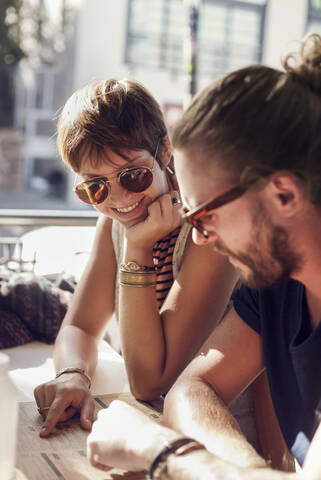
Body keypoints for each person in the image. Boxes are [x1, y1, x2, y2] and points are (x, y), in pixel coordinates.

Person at [86, 33, 321, 480]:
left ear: (284, 194)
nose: (200, 239)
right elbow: (192, 389)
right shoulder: (275, 285)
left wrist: (161, 452)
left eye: (206, 215)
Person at [34, 78, 241, 438]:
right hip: (158, 426)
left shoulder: (206, 226)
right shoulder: (115, 223)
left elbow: (149, 381)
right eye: (95, 186)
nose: (119, 200)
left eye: (133, 175)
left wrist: (137, 249)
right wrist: (72, 373)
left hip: (223, 437)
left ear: (164, 149)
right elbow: (80, 326)